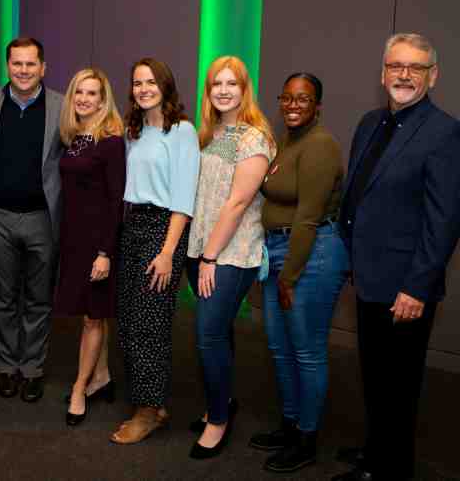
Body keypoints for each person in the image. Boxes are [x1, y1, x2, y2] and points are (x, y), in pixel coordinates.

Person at [333, 33, 460, 481]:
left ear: (433, 76)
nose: (404, 75)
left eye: (416, 68)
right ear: (383, 71)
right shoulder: (370, 122)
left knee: (399, 387)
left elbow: (443, 221)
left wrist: (418, 286)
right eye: (396, 65)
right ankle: (377, 451)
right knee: (375, 379)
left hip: (406, 287)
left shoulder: (445, 132)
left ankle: (391, 470)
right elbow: (358, 195)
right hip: (368, 276)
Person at [250, 72, 348, 473]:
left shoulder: (321, 145)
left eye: (303, 99)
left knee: (307, 351)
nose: (293, 105)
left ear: (317, 105)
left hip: (311, 255)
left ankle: (307, 438)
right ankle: (290, 425)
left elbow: (308, 217)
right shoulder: (288, 141)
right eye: (287, 98)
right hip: (280, 254)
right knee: (279, 345)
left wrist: (289, 276)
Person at [186, 56, 274, 459]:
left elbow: (238, 203)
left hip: (230, 254)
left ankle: (219, 419)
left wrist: (209, 258)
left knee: (208, 335)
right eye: (215, 84)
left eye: (231, 84)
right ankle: (221, 403)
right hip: (202, 248)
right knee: (218, 332)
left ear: (244, 89)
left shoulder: (253, 138)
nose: (222, 90)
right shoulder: (212, 133)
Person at [110, 58, 200, 445]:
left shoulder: (181, 131)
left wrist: (167, 252)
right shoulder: (133, 130)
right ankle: (149, 403)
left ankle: (148, 411)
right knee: (129, 321)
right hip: (131, 227)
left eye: (150, 81)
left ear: (165, 85)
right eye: (137, 82)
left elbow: (183, 197)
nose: (143, 88)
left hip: (164, 229)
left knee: (150, 325)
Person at [0, 37, 64, 403]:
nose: (23, 70)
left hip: (41, 219)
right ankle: (6, 366)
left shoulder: (63, 106)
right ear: (7, 66)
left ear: (43, 68)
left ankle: (32, 368)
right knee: (2, 297)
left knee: (38, 298)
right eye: (16, 63)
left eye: (31, 64)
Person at [54, 68, 125, 426]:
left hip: (97, 242)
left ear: (103, 99)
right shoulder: (75, 136)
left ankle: (80, 387)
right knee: (93, 311)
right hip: (73, 239)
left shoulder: (110, 141)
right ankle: (102, 377)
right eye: (79, 92)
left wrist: (105, 253)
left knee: (92, 318)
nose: (84, 98)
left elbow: (116, 201)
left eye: (92, 93)